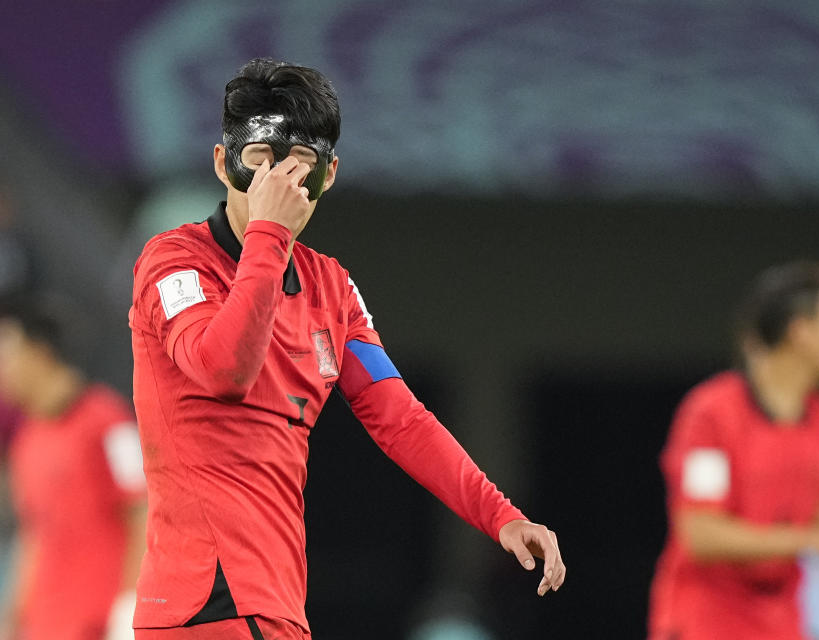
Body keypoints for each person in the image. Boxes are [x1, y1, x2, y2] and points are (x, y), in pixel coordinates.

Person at [128, 58, 565, 640]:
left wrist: (500, 516)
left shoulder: (330, 289)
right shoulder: (174, 262)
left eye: (298, 168)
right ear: (220, 163)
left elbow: (401, 418)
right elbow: (223, 369)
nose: (275, 188)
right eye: (258, 164)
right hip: (211, 606)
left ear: (328, 175)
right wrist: (269, 237)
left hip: (274, 607)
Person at [648, 262, 819, 640]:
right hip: (704, 622)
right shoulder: (710, 413)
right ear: (800, 330)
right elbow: (700, 534)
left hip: (783, 624)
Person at [0, 295, 146, 640]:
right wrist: (11, 618)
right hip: (45, 627)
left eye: (5, 355)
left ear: (39, 352)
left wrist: (129, 608)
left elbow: (144, 513)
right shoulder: (25, 443)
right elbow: (33, 535)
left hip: (100, 624)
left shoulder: (108, 421)